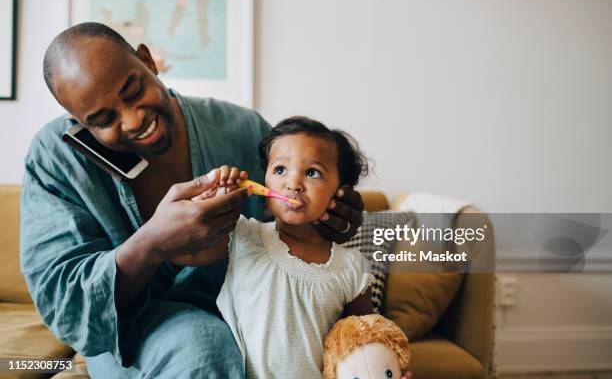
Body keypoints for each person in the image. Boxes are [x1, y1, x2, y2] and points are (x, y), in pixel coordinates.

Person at [20, 22, 364, 378]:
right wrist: (152, 244)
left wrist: (332, 219)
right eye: (104, 120)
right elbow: (65, 304)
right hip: (136, 336)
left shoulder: (242, 129)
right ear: (77, 122)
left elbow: (293, 227)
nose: (135, 119)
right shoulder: (55, 159)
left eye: (134, 89)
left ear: (147, 60)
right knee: (202, 347)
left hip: (254, 320)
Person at [186, 116, 373, 378]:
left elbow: (368, 340)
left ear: (340, 192)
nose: (293, 183)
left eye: (312, 172)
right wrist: (214, 202)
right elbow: (188, 251)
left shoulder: (352, 267)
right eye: (280, 170)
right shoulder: (242, 235)